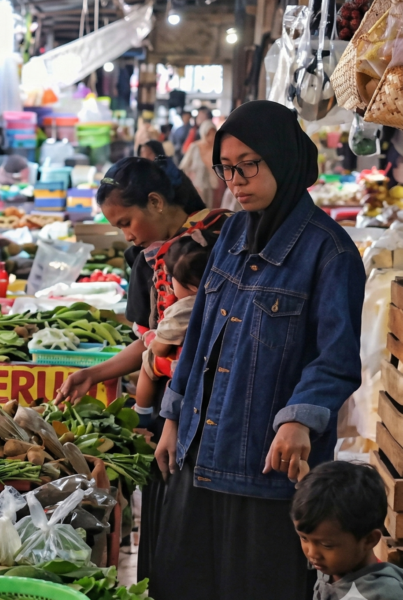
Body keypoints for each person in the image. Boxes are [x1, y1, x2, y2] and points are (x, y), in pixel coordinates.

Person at [150, 100, 365, 600]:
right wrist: (173, 417)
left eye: (248, 165)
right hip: (199, 452)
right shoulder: (231, 234)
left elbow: (335, 359)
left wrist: (298, 419)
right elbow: (199, 331)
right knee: (184, 583)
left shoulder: (330, 252)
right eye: (226, 168)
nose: (236, 181)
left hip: (267, 467)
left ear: (283, 158)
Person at [55, 157, 227, 583]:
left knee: (196, 535)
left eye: (126, 222)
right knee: (170, 527)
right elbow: (152, 341)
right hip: (172, 411)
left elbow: (184, 341)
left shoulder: (212, 244)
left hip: (206, 410)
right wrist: (95, 373)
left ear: (156, 201)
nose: (126, 235)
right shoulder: (153, 257)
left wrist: (165, 412)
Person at [293, 461, 403, 600]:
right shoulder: (331, 565)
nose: (312, 553)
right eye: (304, 538)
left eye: (327, 545)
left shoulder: (384, 594)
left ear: (369, 540)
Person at [137, 236, 209, 410]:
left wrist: (150, 339)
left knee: (149, 359)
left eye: (172, 278)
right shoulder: (221, 299)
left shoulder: (183, 309)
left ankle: (142, 411)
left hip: (185, 370)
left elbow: (160, 349)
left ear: (191, 287)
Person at [139, 140, 203, 212]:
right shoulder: (145, 178)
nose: (145, 157)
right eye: (142, 154)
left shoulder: (172, 174)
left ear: (158, 153)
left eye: (149, 154)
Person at [180, 121, 220, 207]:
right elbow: (184, 166)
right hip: (196, 188)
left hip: (211, 189)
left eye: (213, 134)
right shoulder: (195, 147)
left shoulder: (217, 150)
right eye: (208, 134)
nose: (211, 137)